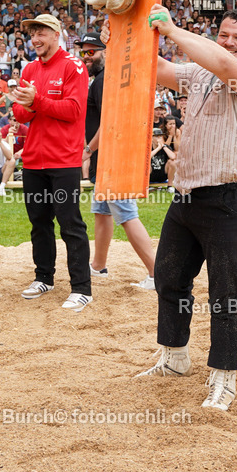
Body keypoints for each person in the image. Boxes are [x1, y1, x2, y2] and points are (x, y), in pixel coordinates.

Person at [134, 5, 237, 413]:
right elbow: (157, 67)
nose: (229, 42)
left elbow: (225, 64)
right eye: (224, 34)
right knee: (169, 275)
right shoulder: (198, 72)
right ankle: (175, 356)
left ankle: (224, 378)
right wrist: (125, 33)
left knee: (226, 293)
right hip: (187, 193)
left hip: (231, 197)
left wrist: (174, 30)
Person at [11, 14, 92, 312]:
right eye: (32, 33)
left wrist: (37, 101)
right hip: (33, 160)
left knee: (71, 224)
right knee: (39, 224)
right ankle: (44, 277)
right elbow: (20, 115)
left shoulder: (74, 65)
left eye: (41, 32)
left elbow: (73, 110)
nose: (35, 39)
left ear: (56, 33)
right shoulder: (30, 68)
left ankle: (82, 288)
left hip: (63, 160)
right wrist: (29, 104)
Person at [80, 30, 156, 289]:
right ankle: (98, 266)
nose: (86, 56)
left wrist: (87, 151)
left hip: (112, 157)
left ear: (107, 52)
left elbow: (109, 123)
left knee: (126, 215)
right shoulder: (104, 78)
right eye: (83, 52)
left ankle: (158, 273)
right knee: (102, 213)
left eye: (92, 51)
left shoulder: (104, 80)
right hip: (109, 157)